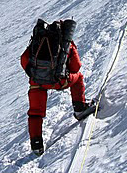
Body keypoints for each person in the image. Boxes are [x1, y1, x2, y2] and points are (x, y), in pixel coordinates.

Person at [20, 20, 93, 155]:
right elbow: (76, 66)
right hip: (58, 81)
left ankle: (36, 145)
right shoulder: (65, 44)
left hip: (37, 83)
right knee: (78, 78)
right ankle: (80, 108)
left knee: (35, 112)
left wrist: (35, 74)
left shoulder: (36, 42)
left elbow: (24, 60)